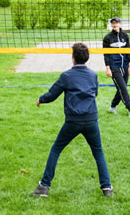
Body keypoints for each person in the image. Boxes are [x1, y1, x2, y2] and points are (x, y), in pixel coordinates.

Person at [31, 43, 114, 197]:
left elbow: (52, 94)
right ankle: (107, 188)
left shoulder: (67, 76)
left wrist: (40, 100)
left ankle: (44, 187)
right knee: (98, 153)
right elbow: (94, 93)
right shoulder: (93, 75)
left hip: (74, 121)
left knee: (56, 149)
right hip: (91, 120)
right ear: (87, 58)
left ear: (73, 57)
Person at [103, 17, 130, 117]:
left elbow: (129, 51)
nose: (114, 24)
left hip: (125, 65)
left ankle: (112, 107)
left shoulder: (125, 36)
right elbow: (106, 54)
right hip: (114, 66)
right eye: (112, 23)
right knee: (123, 88)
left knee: (122, 88)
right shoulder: (107, 38)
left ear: (120, 24)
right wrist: (108, 68)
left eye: (116, 23)